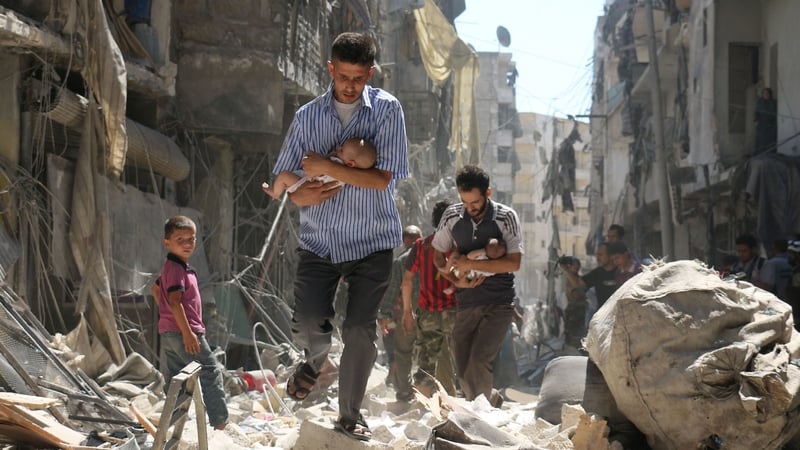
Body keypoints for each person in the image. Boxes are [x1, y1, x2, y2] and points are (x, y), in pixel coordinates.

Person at [270, 31, 408, 442]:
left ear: (371, 73)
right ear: (331, 70)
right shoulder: (307, 117)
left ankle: (350, 414)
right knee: (311, 319)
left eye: (359, 78)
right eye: (343, 76)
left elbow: (383, 179)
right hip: (320, 241)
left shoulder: (387, 111)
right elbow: (284, 176)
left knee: (359, 329)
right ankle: (313, 363)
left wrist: (323, 169)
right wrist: (299, 192)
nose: (350, 85)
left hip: (373, 242)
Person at [432, 165, 523, 407]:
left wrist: (468, 262)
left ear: (488, 193)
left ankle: (481, 417)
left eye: (475, 203)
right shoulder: (452, 216)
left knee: (479, 360)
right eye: (465, 202)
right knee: (461, 364)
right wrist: (455, 278)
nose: (470, 208)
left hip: (499, 301)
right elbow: (438, 255)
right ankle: (489, 399)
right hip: (468, 300)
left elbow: (514, 263)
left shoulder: (506, 217)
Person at [155, 215, 228, 430]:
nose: (187, 244)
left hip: (169, 332)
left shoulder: (174, 267)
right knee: (210, 370)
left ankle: (173, 422)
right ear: (167, 243)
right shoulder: (176, 269)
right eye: (180, 239)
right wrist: (188, 333)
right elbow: (175, 302)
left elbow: (156, 289)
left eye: (191, 239)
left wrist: (166, 315)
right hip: (183, 332)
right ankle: (220, 421)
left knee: (178, 378)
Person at [400, 199, 458, 399]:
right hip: (455, 313)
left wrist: (407, 312)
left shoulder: (421, 246)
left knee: (426, 363)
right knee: (459, 359)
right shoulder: (460, 246)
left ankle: (425, 408)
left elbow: (407, 280)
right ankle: (456, 403)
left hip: (429, 313)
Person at [377, 224, 422, 402]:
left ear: (404, 241)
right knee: (431, 350)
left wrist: (384, 315)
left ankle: (404, 391)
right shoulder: (431, 257)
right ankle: (429, 389)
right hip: (430, 310)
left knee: (403, 352)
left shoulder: (400, 261)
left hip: (406, 310)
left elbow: (393, 289)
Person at [261, 137, 377, 199]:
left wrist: (322, 160)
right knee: (286, 178)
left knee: (283, 175)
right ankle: (280, 189)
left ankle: (275, 193)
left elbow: (319, 172)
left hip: (304, 183)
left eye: (341, 150)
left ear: (351, 164)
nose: (338, 149)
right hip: (305, 183)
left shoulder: (337, 168)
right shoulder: (346, 176)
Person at [581, 242, 618, 310]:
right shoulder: (596, 273)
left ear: (610, 256)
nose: (597, 258)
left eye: (600, 255)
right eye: (597, 255)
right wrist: (567, 270)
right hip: (604, 316)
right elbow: (579, 283)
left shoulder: (621, 272)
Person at [754, 87, 778, 155]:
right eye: (764, 93)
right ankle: (760, 156)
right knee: (761, 141)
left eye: (767, 93)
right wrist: (755, 120)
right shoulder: (760, 102)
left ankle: (770, 156)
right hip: (761, 125)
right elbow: (756, 112)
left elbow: (775, 114)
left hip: (771, 126)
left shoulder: (773, 102)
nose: (766, 95)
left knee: (770, 142)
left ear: (770, 94)